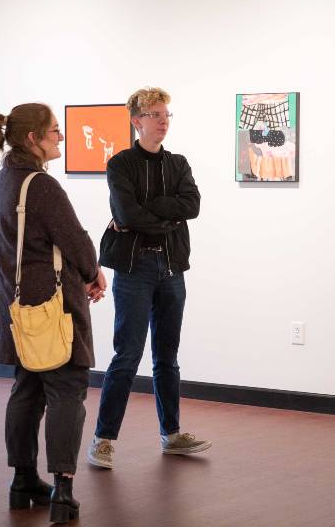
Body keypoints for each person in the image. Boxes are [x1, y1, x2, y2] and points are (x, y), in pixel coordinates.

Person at [0, 103, 107, 524]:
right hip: (51, 307)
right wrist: (93, 273)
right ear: (32, 138)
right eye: (55, 131)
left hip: (14, 304)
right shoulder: (42, 186)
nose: (61, 138)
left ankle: (23, 481)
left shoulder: (5, 180)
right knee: (66, 390)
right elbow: (75, 242)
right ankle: (63, 491)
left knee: (28, 386)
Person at [87, 86, 209, 469]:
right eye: (155, 115)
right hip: (134, 271)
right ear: (136, 120)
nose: (163, 122)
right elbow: (126, 215)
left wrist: (152, 211)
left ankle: (171, 435)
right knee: (127, 355)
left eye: (166, 115)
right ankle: (103, 440)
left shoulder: (179, 164)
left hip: (172, 269)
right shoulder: (120, 164)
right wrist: (165, 217)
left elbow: (193, 205)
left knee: (167, 357)